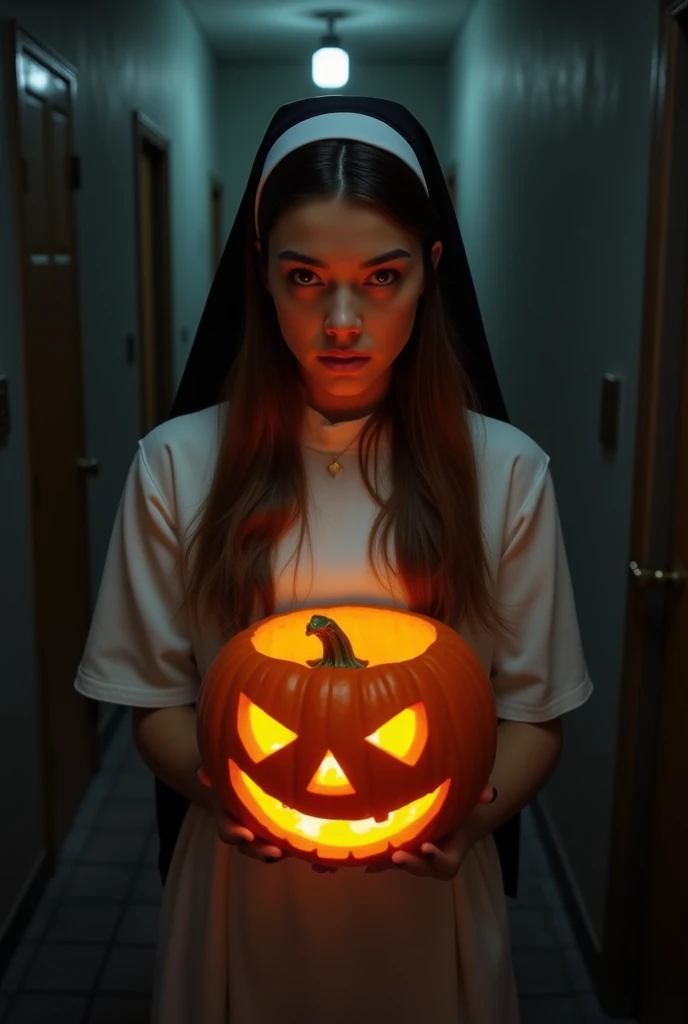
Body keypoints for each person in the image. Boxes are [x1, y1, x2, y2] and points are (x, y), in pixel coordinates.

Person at [74, 96, 593, 1023]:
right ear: (260, 276)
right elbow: (151, 697)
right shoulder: (176, 465)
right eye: (307, 278)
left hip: (430, 891)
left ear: (430, 274)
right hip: (240, 884)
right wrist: (229, 792)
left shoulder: (506, 472)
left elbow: (535, 710)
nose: (343, 319)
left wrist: (468, 819)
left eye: (381, 277)